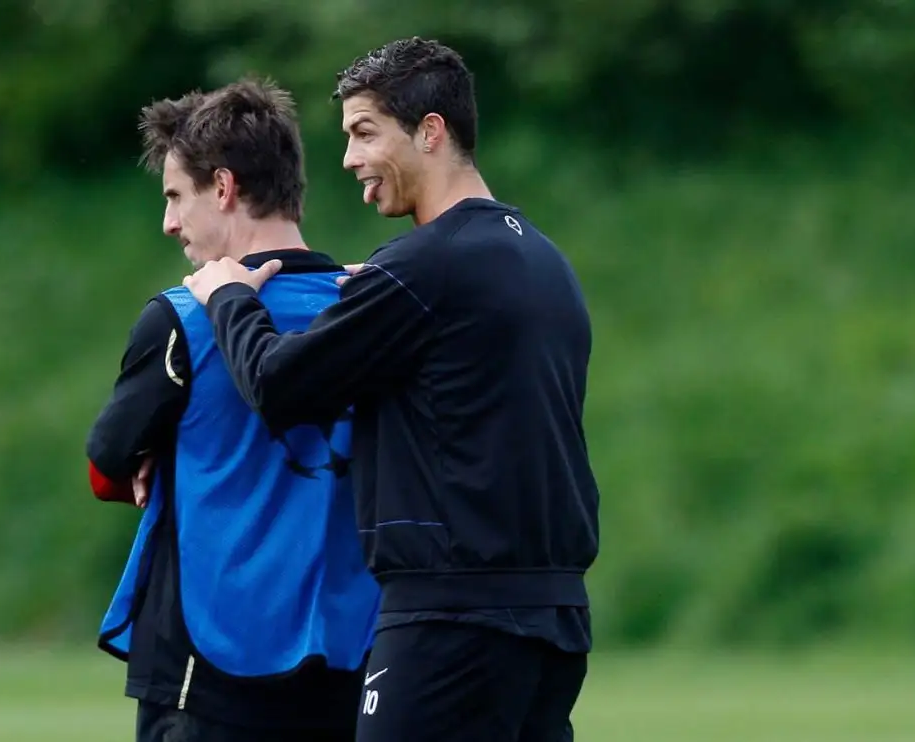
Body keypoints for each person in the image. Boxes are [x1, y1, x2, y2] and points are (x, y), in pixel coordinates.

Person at [180, 38, 599, 742]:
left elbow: (281, 387)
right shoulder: (541, 259)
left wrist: (228, 298)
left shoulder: (424, 268)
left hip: (448, 621)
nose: (348, 159)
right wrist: (377, 305)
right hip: (552, 620)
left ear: (430, 132)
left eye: (364, 132)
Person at [88, 78, 380, 742]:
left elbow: (106, 469)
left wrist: (159, 454)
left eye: (174, 196)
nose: (168, 223)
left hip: (209, 673)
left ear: (221, 188)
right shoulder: (371, 308)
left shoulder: (183, 320)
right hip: (350, 665)